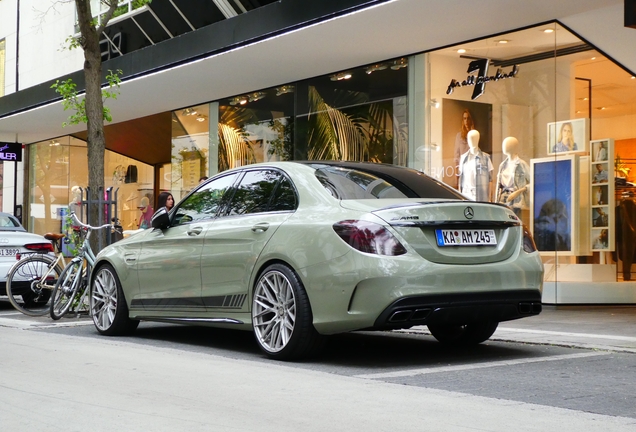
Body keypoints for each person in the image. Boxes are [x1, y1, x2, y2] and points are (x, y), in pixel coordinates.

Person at [495, 137, 531, 216]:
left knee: (515, 222)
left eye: (507, 144)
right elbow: (498, 186)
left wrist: (519, 191)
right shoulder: (502, 165)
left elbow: (533, 182)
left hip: (516, 200)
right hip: (503, 198)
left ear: (514, 147)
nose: (504, 145)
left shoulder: (521, 164)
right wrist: (496, 201)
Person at [458, 129, 493, 201]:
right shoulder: (463, 158)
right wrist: (460, 197)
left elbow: (490, 180)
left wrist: (489, 198)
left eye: (474, 138)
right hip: (467, 195)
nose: (472, 141)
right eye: (470, 139)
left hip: (481, 197)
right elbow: (461, 179)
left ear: (478, 139)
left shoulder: (486, 158)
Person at [453, 109, 475, 181]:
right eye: (464, 118)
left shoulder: (474, 135)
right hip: (462, 169)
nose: (466, 121)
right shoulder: (459, 136)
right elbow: (456, 155)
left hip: (472, 169)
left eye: (468, 118)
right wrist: (456, 173)